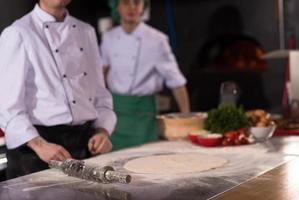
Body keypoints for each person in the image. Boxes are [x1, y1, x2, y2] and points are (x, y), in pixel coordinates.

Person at [0, 0, 116, 179]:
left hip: (84, 144)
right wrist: (40, 145)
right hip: (36, 149)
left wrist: (102, 131)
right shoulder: (18, 32)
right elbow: (6, 104)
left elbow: (99, 92)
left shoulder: (86, 31)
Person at [101, 0, 190, 150]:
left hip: (143, 117)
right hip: (115, 116)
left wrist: (186, 120)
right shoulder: (108, 37)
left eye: (137, 2)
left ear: (144, 7)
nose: (132, 7)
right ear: (117, 6)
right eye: (126, 3)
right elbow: (101, 75)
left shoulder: (157, 40)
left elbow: (177, 82)